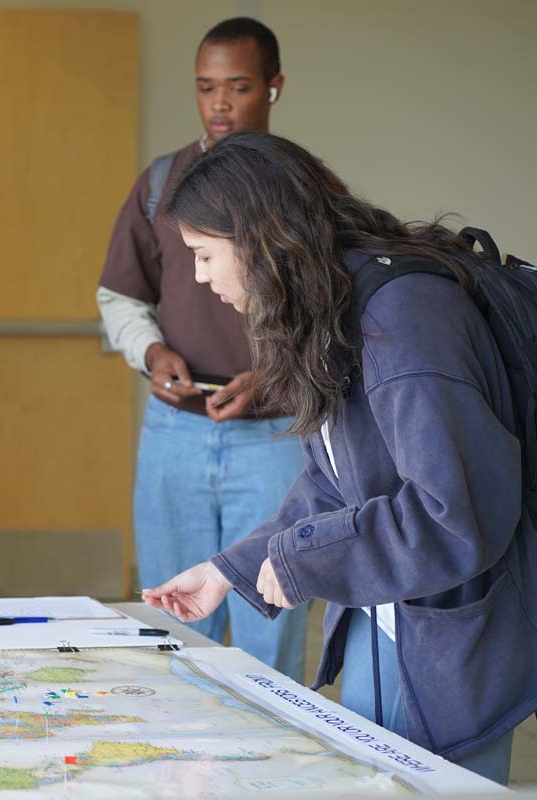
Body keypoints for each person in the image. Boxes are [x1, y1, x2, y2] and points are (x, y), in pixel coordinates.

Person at [143, 131, 526, 784]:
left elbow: (453, 514)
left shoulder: (402, 319)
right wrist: (230, 570)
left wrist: (300, 560)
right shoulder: (333, 307)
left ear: (259, 234)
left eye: (205, 255)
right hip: (388, 627)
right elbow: (334, 485)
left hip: (448, 646)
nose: (201, 278)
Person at [96, 17, 308, 679]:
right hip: (174, 434)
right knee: (172, 622)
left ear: (273, 88)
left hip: (275, 435)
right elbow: (121, 297)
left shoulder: (304, 189)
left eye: (238, 87)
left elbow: (334, 314)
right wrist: (153, 356)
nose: (220, 103)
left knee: (268, 626)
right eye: (206, 87)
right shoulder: (162, 184)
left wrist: (272, 378)